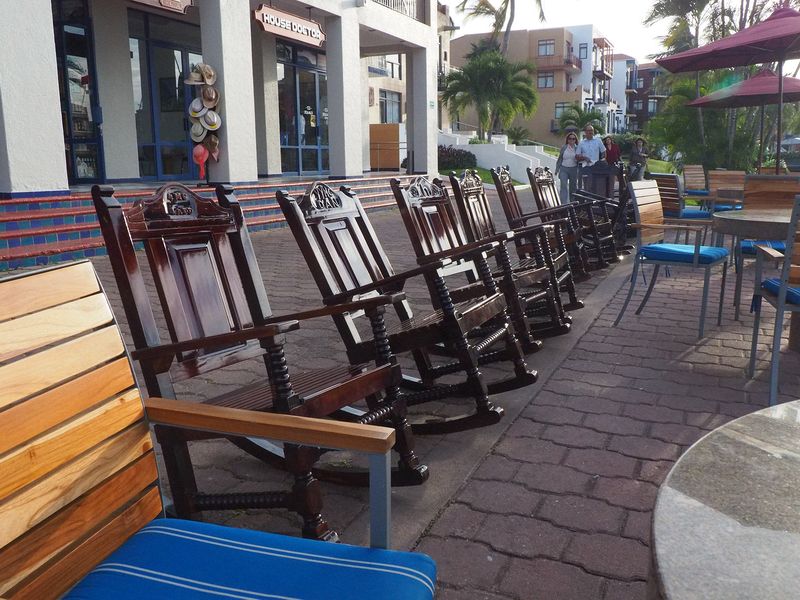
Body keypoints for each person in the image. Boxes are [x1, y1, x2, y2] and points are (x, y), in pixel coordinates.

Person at [576, 125, 606, 191]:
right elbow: (577, 156)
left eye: (591, 130)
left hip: (596, 167)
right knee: (587, 186)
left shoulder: (598, 141)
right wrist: (584, 158)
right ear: (585, 132)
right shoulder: (581, 143)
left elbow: (604, 152)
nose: (590, 132)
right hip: (586, 167)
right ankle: (587, 199)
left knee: (595, 186)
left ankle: (593, 200)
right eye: (589, 130)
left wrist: (602, 161)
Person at [554, 132, 580, 203]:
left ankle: (573, 203)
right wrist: (557, 169)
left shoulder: (578, 148)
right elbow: (560, 159)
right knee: (563, 186)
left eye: (573, 139)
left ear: (575, 140)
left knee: (573, 187)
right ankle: (564, 204)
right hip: (564, 169)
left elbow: (580, 160)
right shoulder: (564, 147)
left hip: (573, 169)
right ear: (567, 140)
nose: (571, 140)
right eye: (570, 138)